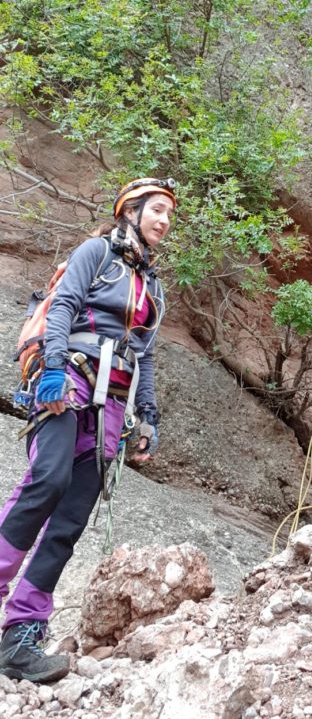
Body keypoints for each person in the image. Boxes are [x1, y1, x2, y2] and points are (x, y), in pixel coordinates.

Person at [0, 177, 176, 683]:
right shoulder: (96, 252)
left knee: (72, 516)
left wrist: (149, 415)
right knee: (47, 481)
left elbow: (144, 352)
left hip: (113, 402)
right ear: (132, 209)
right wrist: (52, 366)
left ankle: (22, 634)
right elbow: (62, 306)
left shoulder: (153, 285)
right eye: (156, 210)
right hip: (70, 376)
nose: (164, 220)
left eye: (169, 214)